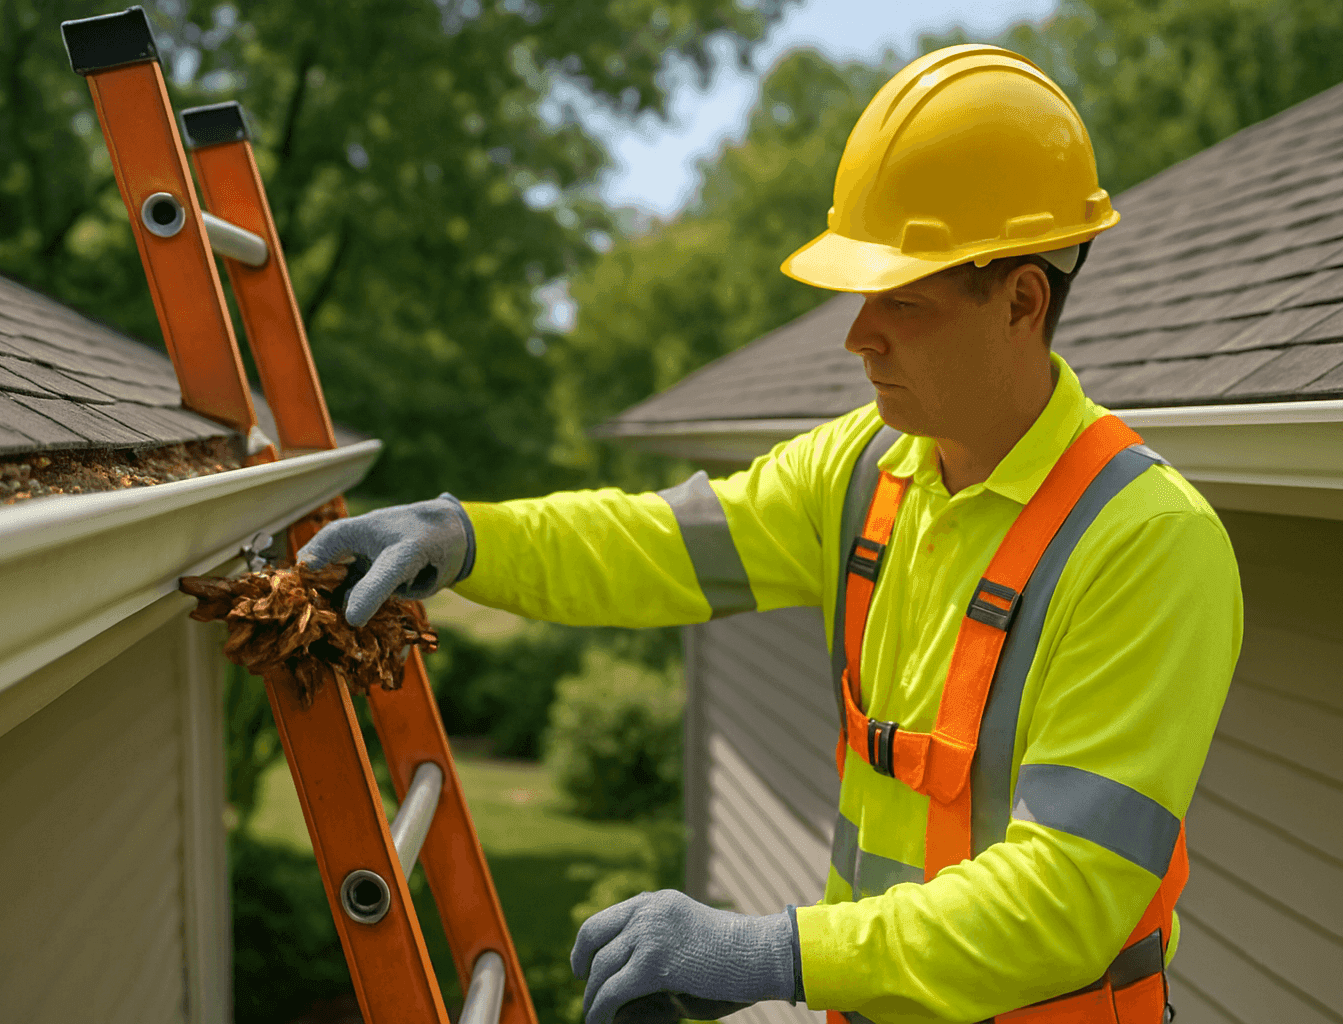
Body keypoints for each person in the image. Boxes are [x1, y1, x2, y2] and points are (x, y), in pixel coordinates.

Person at [300, 44, 1241, 1024]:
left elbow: (1064, 904)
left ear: (1020, 301)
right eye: (862, 296)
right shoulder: (869, 469)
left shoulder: (1148, 544)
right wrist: (466, 537)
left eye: (902, 301)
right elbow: (655, 544)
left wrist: (766, 952)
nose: (858, 335)